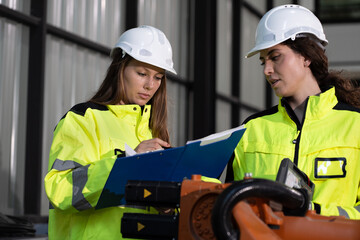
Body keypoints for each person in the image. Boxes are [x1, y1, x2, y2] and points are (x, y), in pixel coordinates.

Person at [227, 4, 360, 219]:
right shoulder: (251, 129)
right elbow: (230, 204)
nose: (267, 70)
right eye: (263, 61)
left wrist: (314, 211)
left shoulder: (355, 126)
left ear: (306, 56)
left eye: (275, 56)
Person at [44, 25, 177, 239]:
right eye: (142, 73)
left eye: (158, 77)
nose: (150, 85)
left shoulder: (153, 130)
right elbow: (61, 191)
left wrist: (168, 203)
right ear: (119, 68)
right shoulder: (84, 119)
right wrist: (127, 161)